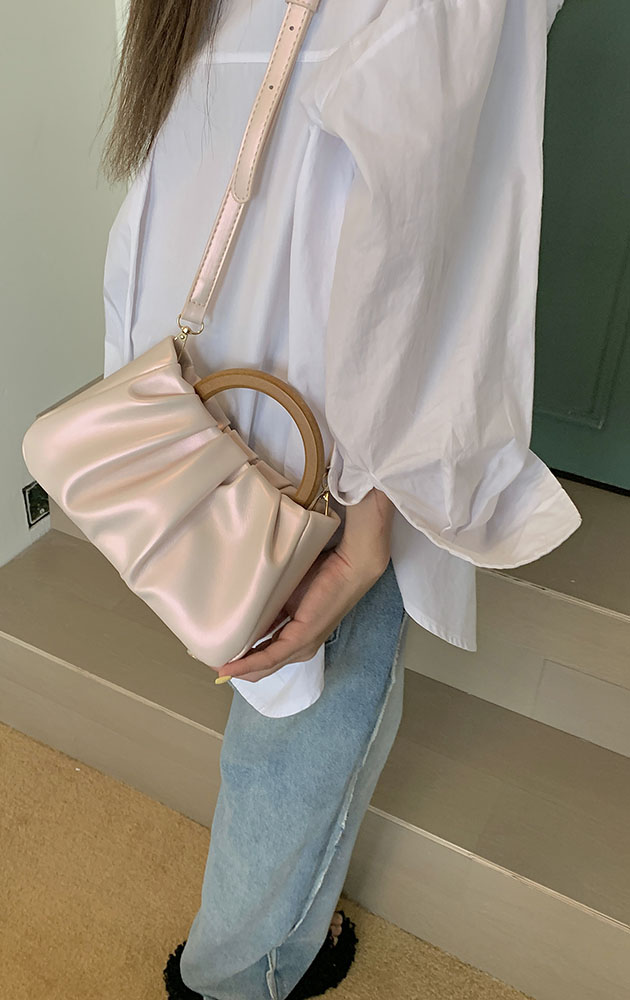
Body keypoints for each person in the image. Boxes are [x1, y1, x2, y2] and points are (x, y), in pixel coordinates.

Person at [100, 1, 579, 997]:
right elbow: (420, 237)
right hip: (333, 419)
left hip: (194, 384)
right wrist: (367, 535)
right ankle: (241, 974)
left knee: (268, 684)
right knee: (308, 717)